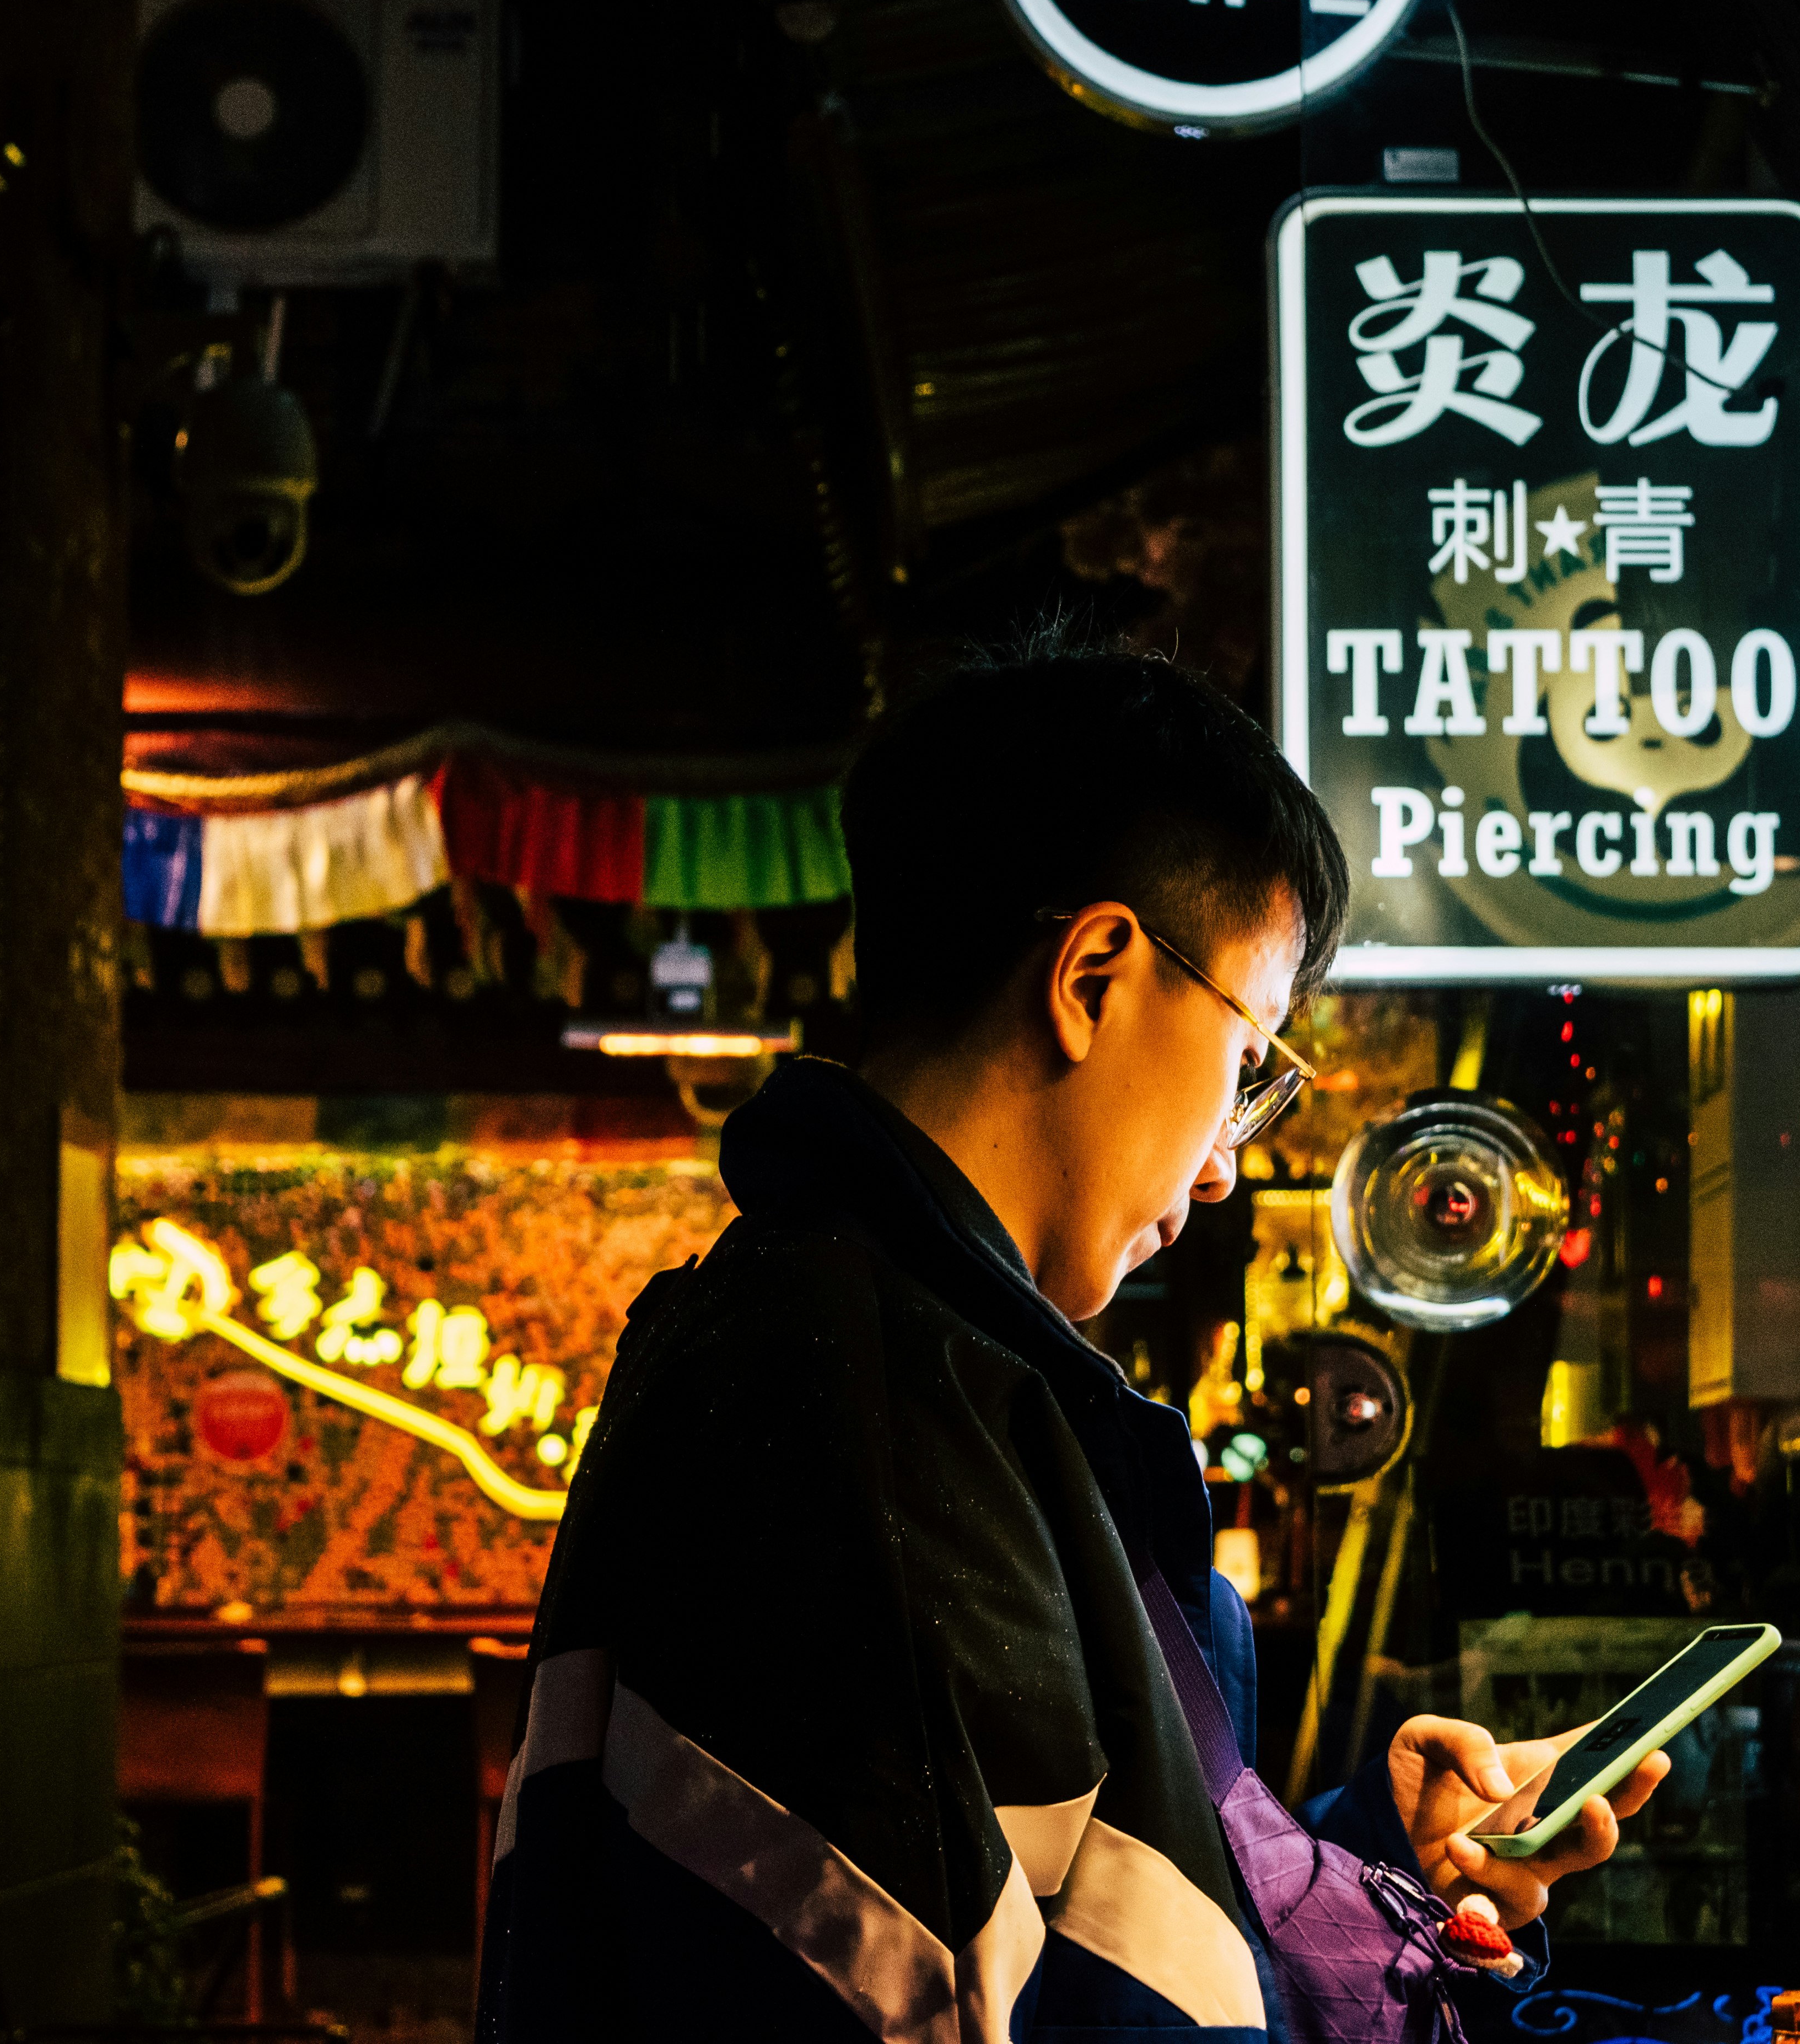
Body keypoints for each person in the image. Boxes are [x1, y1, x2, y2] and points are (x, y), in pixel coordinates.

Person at [477, 641, 1663, 2041]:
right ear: (1093, 973)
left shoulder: (887, 1349)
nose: (1224, 1165)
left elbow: (1092, 1902)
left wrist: (1380, 1863)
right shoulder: (865, 1403)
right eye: (1248, 1062)